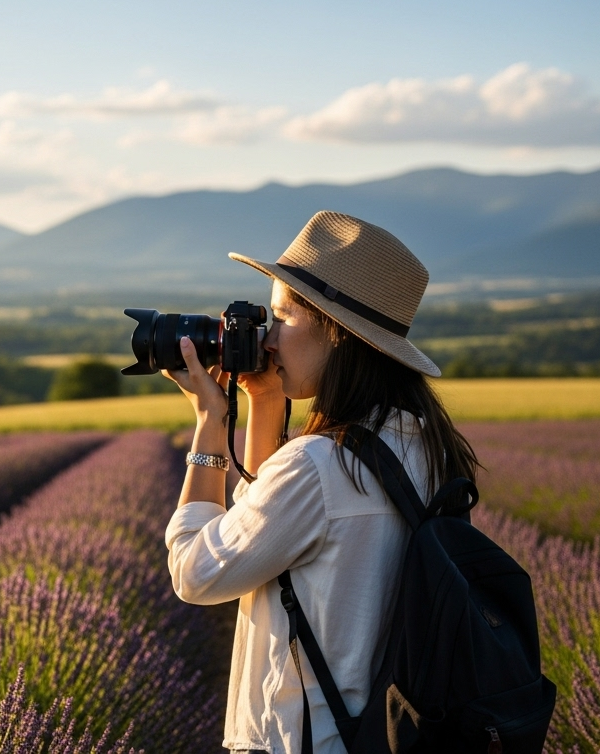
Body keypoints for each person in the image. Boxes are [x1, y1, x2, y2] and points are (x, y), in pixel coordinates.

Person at [162, 211, 479, 754]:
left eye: (282, 317)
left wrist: (211, 424)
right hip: (383, 735)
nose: (267, 339)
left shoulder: (317, 465)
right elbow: (272, 526)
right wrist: (266, 403)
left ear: (336, 332)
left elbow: (194, 573)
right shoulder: (425, 446)